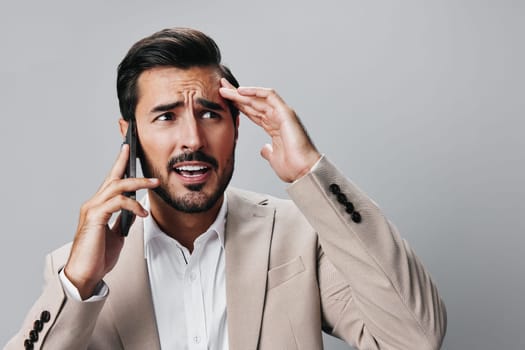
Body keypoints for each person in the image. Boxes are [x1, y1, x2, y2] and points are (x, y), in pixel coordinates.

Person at [5, 28, 446, 350]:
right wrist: (79, 283)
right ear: (131, 134)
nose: (193, 139)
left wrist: (312, 172)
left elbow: (415, 338)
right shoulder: (75, 269)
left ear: (237, 125)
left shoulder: (301, 234)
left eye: (211, 114)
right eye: (166, 116)